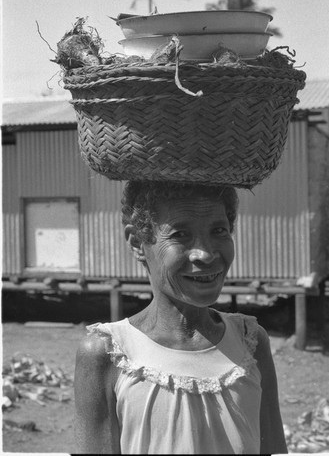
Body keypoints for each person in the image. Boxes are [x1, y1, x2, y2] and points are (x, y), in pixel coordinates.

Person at [74, 180, 287, 455]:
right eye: (180, 235)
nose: (206, 254)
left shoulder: (250, 342)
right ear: (137, 242)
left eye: (219, 230)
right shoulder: (109, 353)